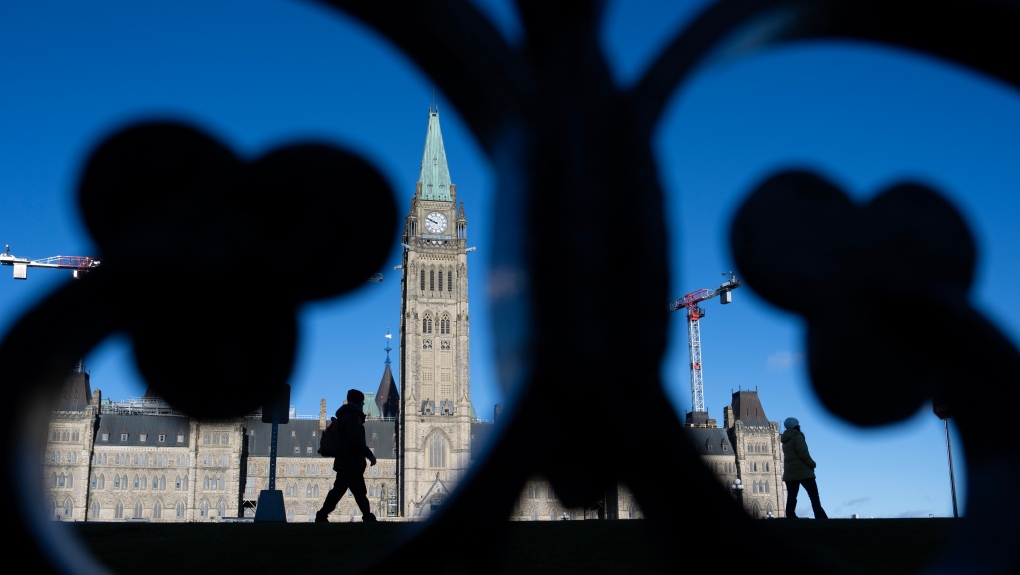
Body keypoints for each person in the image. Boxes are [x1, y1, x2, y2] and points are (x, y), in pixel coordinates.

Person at [315, 389, 378, 522]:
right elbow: (355, 440)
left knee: (356, 492)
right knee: (342, 491)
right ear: (358, 402)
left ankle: (367, 516)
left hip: (349, 462)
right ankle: (322, 514)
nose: (363, 405)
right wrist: (369, 455)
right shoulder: (352, 417)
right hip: (350, 462)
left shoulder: (347, 416)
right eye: (362, 402)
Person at [781, 417, 828, 519]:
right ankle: (820, 516)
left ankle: (790, 516)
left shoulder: (785, 440)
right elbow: (803, 454)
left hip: (791, 473)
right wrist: (812, 464)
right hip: (804, 472)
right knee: (814, 497)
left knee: (792, 497)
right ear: (796, 426)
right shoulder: (797, 437)